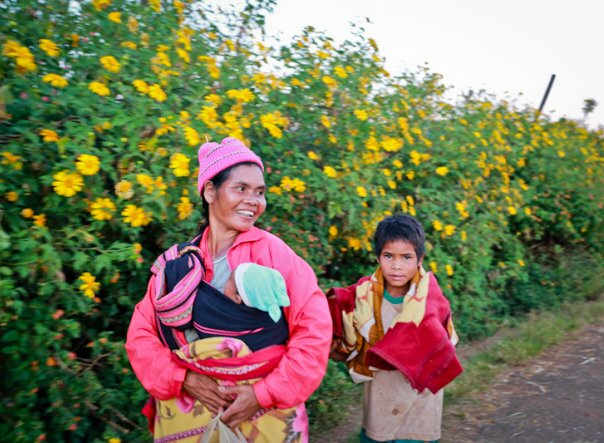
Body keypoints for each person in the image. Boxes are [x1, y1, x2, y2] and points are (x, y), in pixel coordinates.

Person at [126, 136, 332, 442]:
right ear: (210, 191)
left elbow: (314, 332)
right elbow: (141, 336)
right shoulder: (175, 265)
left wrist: (263, 393)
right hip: (189, 421)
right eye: (241, 189)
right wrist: (182, 378)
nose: (253, 200)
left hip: (266, 421)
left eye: (260, 192)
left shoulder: (276, 255)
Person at [327, 214, 462, 443]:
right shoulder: (362, 298)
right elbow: (339, 334)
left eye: (406, 257)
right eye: (389, 256)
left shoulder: (430, 301)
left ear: (420, 259)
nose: (397, 266)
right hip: (381, 400)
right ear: (379, 257)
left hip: (421, 402)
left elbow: (444, 346)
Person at [223, 262, 291, 322]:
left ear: (237, 298)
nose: (225, 282)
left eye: (229, 279)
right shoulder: (271, 321)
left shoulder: (233, 321)